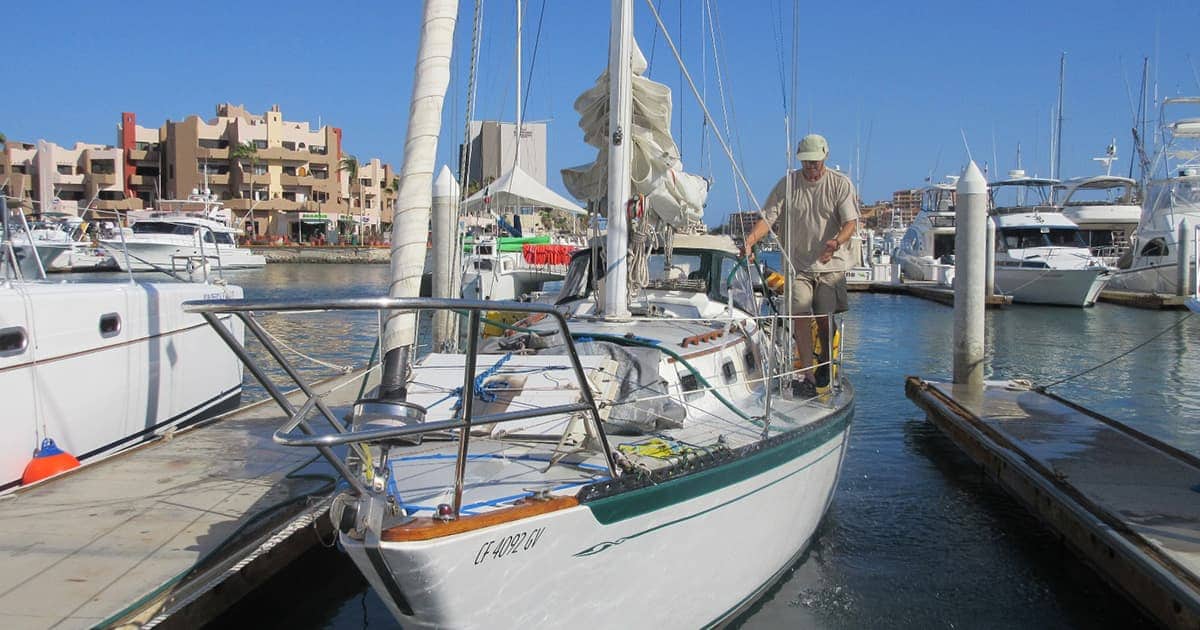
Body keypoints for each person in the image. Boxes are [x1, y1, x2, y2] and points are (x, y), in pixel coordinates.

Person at [740, 134, 859, 398]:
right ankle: (807, 374)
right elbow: (768, 216)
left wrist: (836, 241)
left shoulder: (840, 184)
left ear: (825, 157)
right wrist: (749, 241)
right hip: (799, 266)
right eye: (806, 163)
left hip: (831, 262)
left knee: (824, 313)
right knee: (800, 313)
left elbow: (851, 222)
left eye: (815, 163)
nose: (811, 168)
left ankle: (826, 358)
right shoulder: (788, 185)